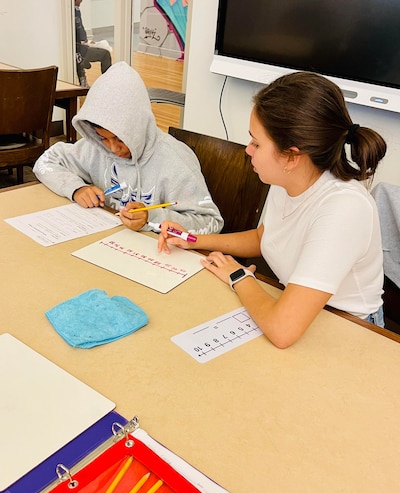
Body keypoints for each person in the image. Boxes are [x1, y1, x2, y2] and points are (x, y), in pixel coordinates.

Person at [156, 71, 387, 348]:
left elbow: (282, 330)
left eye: (256, 142)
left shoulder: (344, 208)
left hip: (350, 330)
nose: (248, 150)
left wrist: (238, 276)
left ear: (291, 156)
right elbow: (265, 238)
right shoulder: (289, 177)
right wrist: (192, 240)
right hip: (298, 311)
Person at [33, 61, 223, 235]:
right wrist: (76, 189)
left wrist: (152, 218)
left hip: (155, 255)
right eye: (104, 138)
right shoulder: (96, 148)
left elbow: (211, 224)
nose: (114, 149)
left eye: (120, 138)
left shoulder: (175, 161)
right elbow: (45, 162)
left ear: (138, 125)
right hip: (107, 242)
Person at [75, 0, 112, 87]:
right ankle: (108, 84)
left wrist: (86, 41)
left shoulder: (76, 10)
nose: (82, 1)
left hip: (81, 48)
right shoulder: (72, 12)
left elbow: (80, 31)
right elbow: (78, 33)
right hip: (79, 50)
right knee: (105, 54)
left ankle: (84, 73)